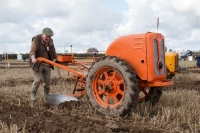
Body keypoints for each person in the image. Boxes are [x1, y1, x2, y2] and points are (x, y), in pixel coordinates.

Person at [28, 27, 57, 100]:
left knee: (47, 80)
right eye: (46, 36)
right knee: (38, 80)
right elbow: (32, 51)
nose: (48, 38)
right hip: (37, 63)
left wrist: (58, 59)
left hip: (47, 63)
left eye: (49, 36)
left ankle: (46, 94)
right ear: (42, 34)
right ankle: (33, 93)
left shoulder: (50, 41)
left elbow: (53, 52)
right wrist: (33, 59)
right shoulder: (36, 39)